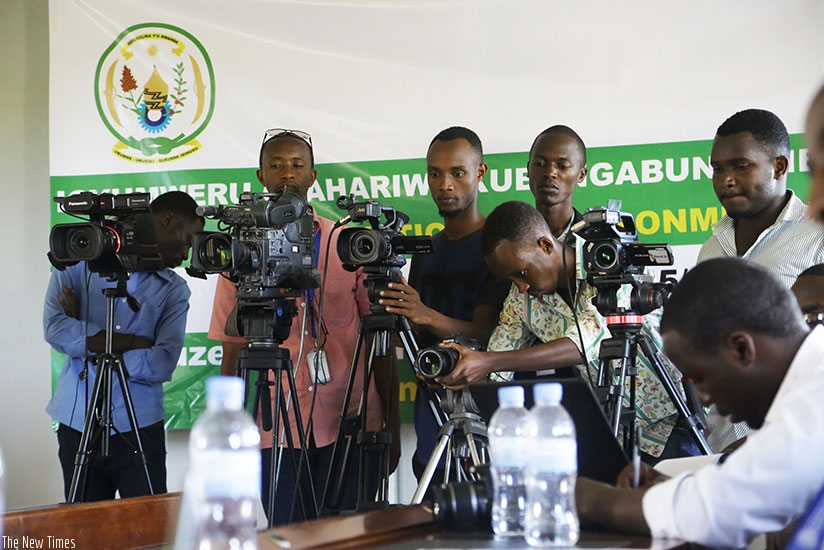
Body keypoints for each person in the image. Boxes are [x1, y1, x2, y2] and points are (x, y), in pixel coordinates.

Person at [207, 128, 393, 526]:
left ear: (313, 176)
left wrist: (388, 425)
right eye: (276, 165)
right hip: (275, 425)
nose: (287, 174)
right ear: (261, 176)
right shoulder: (240, 252)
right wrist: (227, 433)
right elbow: (233, 348)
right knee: (288, 534)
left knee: (349, 535)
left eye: (297, 165)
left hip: (349, 415)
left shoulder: (345, 242)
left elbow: (380, 334)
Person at [575, 257, 824, 549]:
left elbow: (722, 511)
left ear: (741, 349)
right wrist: (675, 490)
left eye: (702, 378)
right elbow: (751, 485)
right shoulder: (805, 386)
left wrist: (585, 497)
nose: (704, 399)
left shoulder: (814, 397)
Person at [435, 200, 692, 462]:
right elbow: (498, 363)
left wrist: (488, 361)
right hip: (613, 431)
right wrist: (462, 369)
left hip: (673, 424)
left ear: (545, 245)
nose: (521, 287)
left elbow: (584, 343)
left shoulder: (609, 261)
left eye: (522, 273)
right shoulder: (520, 298)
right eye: (511, 279)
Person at [43, 190, 204, 502]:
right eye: (188, 240)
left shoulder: (174, 290)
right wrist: (132, 343)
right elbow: (55, 329)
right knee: (83, 526)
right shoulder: (77, 261)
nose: (187, 253)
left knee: (148, 526)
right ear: (167, 220)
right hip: (78, 421)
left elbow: (163, 361)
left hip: (140, 425)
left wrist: (89, 342)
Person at [376, 126, 508, 487]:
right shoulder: (426, 250)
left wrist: (425, 314)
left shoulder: (499, 248)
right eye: (435, 174)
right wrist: (400, 314)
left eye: (457, 173)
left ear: (480, 173)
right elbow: (418, 336)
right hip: (431, 413)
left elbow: (489, 336)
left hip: (482, 416)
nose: (445, 184)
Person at [697, 108, 824, 452]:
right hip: (717, 441)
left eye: (741, 166)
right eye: (718, 169)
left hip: (798, 441)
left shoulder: (817, 236)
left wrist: (764, 439)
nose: (726, 180)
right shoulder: (711, 248)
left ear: (779, 167)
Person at [528, 124, 587, 241]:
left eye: (563, 166)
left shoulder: (598, 239)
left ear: (581, 175)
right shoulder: (508, 239)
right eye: (540, 163)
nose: (550, 173)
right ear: (528, 169)